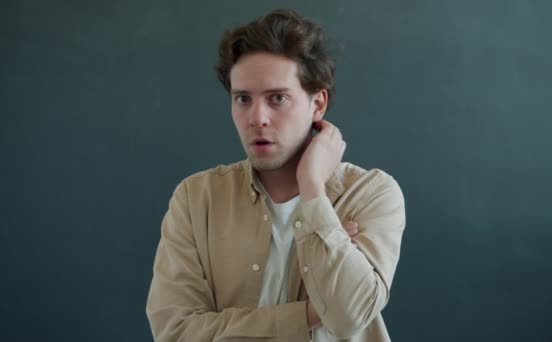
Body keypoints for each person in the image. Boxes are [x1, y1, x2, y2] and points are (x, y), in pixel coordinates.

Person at [146, 8, 406, 342]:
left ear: (318, 104)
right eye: (242, 99)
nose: (257, 118)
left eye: (278, 98)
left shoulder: (373, 193)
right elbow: (175, 332)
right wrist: (308, 315)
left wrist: (312, 189)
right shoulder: (196, 199)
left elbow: (347, 318)